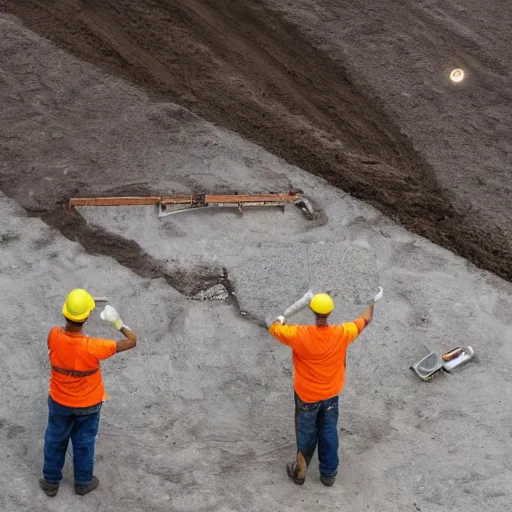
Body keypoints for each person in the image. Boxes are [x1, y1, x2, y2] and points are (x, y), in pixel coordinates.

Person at [268, 292, 374, 487]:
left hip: (307, 396)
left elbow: (274, 328)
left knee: (306, 433)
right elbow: (365, 319)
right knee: (328, 431)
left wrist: (282, 318)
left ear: (312, 311)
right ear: (331, 312)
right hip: (332, 393)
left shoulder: (299, 334)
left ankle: (300, 473)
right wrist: (372, 299)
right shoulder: (342, 333)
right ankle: (328, 474)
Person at [39, 289, 137, 497]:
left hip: (59, 402)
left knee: (55, 438)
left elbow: (63, 341)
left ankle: (50, 482)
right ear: (86, 317)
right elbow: (131, 341)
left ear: (66, 313)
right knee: (84, 442)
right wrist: (117, 322)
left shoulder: (54, 336)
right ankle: (83, 482)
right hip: (89, 405)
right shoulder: (94, 346)